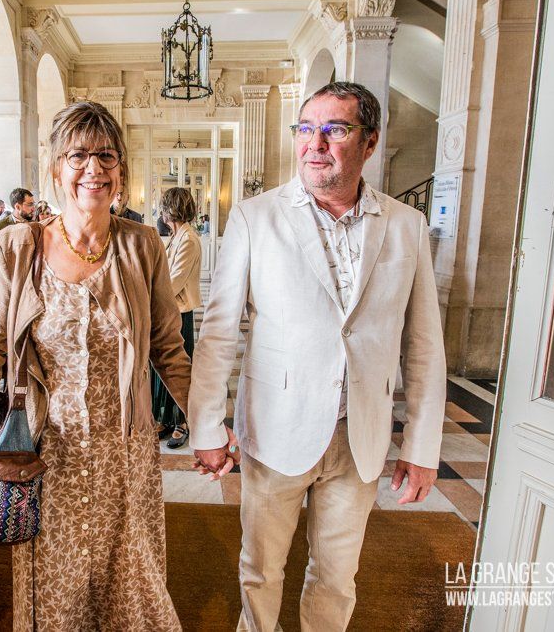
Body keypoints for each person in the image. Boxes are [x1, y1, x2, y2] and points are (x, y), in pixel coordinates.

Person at [0, 101, 231, 631]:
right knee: (57, 589)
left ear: (120, 170)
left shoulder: (142, 245)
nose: (93, 169)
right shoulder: (17, 248)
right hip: (44, 452)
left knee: (129, 585)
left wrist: (208, 426)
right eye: (78, 156)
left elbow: (168, 348)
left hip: (122, 452)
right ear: (56, 168)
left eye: (106, 156)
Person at [189, 82, 446, 632]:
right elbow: (217, 331)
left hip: (360, 437)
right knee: (261, 570)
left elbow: (424, 346)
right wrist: (206, 425)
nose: (316, 143)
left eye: (336, 129)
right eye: (306, 128)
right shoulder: (256, 217)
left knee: (336, 577)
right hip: (275, 429)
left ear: (370, 142)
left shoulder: (406, 226)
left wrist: (422, 444)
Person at [152, 187, 202, 449]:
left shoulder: (189, 239)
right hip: (169, 311)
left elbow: (173, 282)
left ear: (171, 209)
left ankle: (183, 421)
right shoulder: (176, 236)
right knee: (164, 366)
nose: (161, 212)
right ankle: (166, 419)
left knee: (179, 368)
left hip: (180, 313)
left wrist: (149, 297)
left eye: (163, 206)